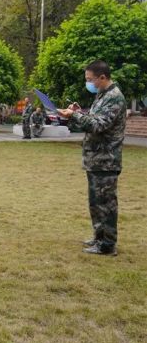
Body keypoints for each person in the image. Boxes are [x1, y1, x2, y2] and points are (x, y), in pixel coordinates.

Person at [58, 60, 126, 256]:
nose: (88, 83)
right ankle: (99, 237)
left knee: (106, 204)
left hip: (106, 160)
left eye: (90, 79)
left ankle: (107, 244)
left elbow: (98, 125)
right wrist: (80, 112)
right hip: (96, 159)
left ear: (102, 77)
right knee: (96, 202)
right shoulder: (102, 95)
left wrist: (74, 115)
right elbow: (94, 119)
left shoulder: (114, 97)